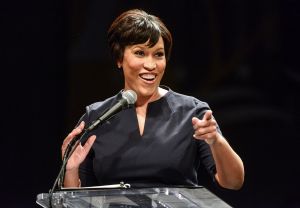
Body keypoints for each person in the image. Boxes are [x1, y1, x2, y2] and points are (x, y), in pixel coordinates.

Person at [61, 9, 244, 190]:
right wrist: (70, 169)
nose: (151, 65)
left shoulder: (193, 112)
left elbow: (233, 182)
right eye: (140, 53)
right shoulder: (95, 117)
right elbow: (76, 200)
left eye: (158, 54)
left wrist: (216, 141)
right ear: (119, 58)